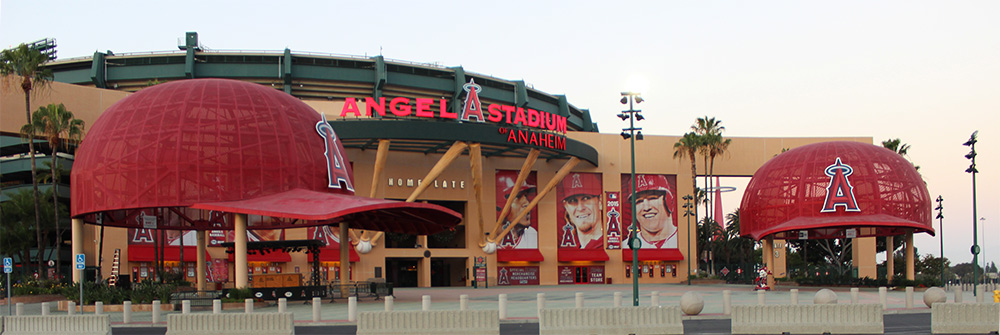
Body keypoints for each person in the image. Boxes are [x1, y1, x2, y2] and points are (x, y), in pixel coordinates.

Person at [626, 174, 677, 249]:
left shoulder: (683, 240)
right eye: (639, 201)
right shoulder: (627, 246)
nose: (646, 207)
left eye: (652, 198)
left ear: (669, 201)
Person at [559, 173, 604, 249]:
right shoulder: (569, 250)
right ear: (566, 206)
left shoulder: (610, 245)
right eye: (572, 200)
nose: (580, 208)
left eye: (586, 198)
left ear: (600, 201)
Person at [498, 176, 537, 249]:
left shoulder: (532, 235)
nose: (527, 204)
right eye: (518, 196)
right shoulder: (489, 238)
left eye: (525, 196)